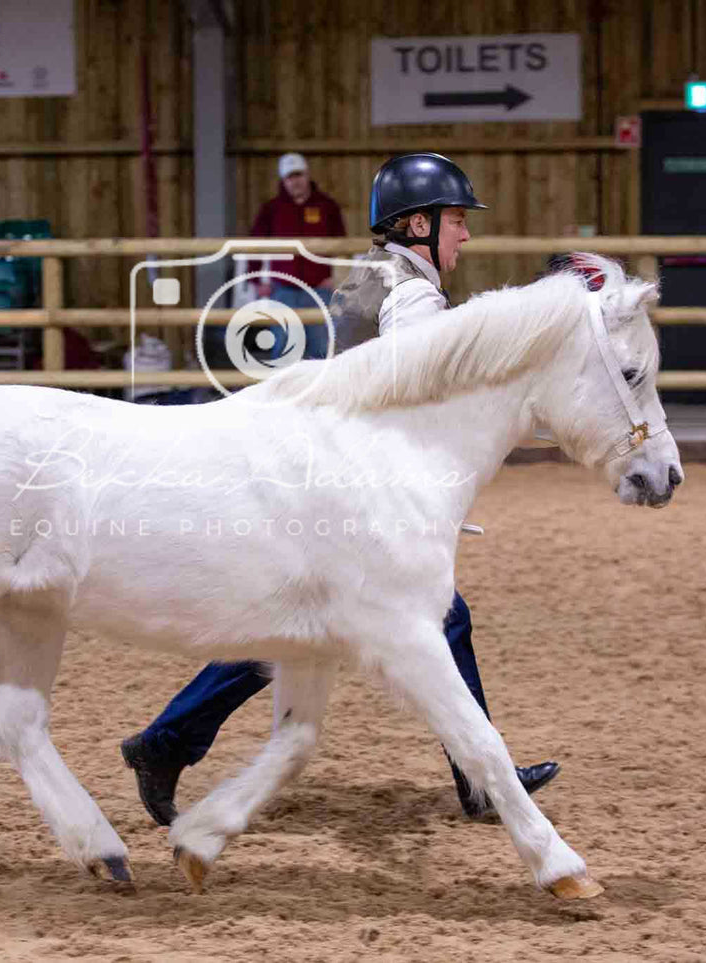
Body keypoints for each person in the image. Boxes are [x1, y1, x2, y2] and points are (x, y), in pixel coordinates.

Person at [121, 152, 561, 826]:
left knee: (319, 625)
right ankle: (166, 740)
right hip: (347, 494)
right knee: (354, 622)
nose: (464, 235)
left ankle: (167, 740)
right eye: (454, 221)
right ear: (416, 223)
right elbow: (418, 383)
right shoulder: (410, 291)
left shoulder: (369, 275)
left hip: (324, 476)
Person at [248, 152, 347, 359]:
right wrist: (256, 280)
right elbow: (255, 245)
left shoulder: (327, 207)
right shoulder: (271, 209)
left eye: (298, 175)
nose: (295, 182)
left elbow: (342, 244)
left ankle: (322, 392)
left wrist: (338, 277)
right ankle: (283, 392)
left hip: (320, 288)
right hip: (283, 289)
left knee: (320, 346)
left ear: (307, 175)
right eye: (289, 177)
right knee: (283, 345)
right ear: (283, 181)